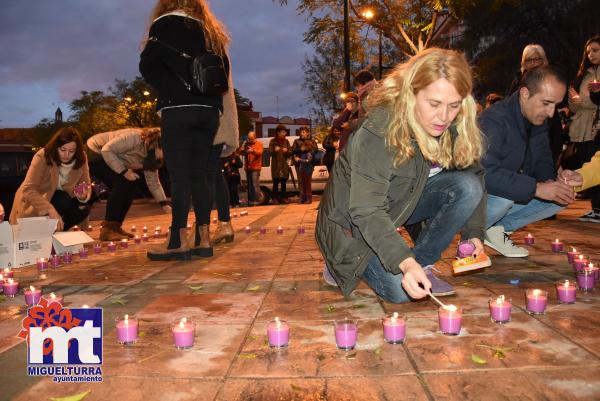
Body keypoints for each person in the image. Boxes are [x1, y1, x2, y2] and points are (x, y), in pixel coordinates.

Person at [316, 48, 486, 302]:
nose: (444, 116)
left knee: (468, 186)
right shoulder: (379, 129)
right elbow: (366, 209)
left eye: (454, 105)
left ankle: (423, 262)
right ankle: (341, 262)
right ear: (411, 95)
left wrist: (474, 234)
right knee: (400, 291)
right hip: (350, 221)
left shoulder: (454, 124)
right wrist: (404, 263)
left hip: (397, 205)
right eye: (434, 104)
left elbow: (475, 174)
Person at [140, 0, 231, 260]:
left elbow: (147, 65)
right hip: (209, 110)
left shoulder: (164, 23)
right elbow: (223, 68)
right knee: (200, 174)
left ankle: (176, 240)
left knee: (179, 176)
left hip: (178, 108)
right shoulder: (211, 32)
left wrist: (170, 88)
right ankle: (203, 238)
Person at [480, 65, 573, 257]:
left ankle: (495, 230)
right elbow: (484, 172)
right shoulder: (495, 119)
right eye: (546, 103)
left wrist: (550, 182)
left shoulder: (534, 116)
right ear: (524, 94)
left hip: (504, 193)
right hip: (474, 198)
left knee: (561, 198)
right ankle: (473, 232)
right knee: (503, 200)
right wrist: (537, 189)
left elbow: (543, 157)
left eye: (555, 105)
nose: (550, 113)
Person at [87, 127, 170, 241]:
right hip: (96, 152)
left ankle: (115, 227)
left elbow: (154, 182)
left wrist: (164, 205)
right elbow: (107, 150)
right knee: (124, 182)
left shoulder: (153, 158)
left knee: (130, 184)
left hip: (114, 159)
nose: (166, 155)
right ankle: (107, 230)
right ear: (158, 144)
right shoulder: (136, 137)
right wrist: (124, 171)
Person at [10, 127, 91, 231]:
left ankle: (55, 231)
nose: (66, 155)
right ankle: (44, 231)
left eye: (71, 151)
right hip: (37, 201)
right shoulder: (43, 156)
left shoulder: (81, 158)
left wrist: (83, 195)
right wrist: (49, 209)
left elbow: (86, 183)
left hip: (62, 201)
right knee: (62, 199)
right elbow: (28, 189)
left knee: (83, 208)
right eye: (63, 150)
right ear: (56, 146)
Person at [566, 35, 600, 223]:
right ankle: (595, 207)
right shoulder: (584, 74)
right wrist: (573, 100)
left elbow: (595, 102)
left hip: (596, 126)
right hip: (581, 127)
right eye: (588, 51)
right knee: (586, 162)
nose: (591, 54)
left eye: (595, 50)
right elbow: (574, 106)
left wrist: (584, 100)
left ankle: (598, 207)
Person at [206, 68, 239, 246]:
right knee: (214, 175)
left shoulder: (206, 46)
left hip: (208, 118)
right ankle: (224, 223)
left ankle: (202, 228)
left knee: (207, 175)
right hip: (217, 118)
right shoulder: (218, 48)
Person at [292, 126, 318, 204]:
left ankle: (308, 198)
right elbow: (293, 151)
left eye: (304, 132)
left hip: (309, 164)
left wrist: (306, 149)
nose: (302, 133)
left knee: (308, 181)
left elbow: (315, 150)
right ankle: (302, 198)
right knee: (301, 181)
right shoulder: (296, 141)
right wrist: (300, 150)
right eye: (301, 132)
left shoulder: (312, 141)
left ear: (307, 133)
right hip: (299, 164)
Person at [268, 125, 292, 204]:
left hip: (284, 165)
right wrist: (275, 150)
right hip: (276, 165)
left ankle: (283, 198)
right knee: (275, 182)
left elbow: (290, 153)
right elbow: (270, 153)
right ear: (278, 132)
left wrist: (287, 151)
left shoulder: (286, 141)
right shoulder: (273, 141)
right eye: (282, 132)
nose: (284, 133)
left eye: (285, 132)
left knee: (283, 182)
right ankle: (275, 198)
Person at [242, 131, 263, 205]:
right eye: (249, 138)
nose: (250, 140)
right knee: (250, 185)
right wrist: (242, 149)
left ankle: (257, 200)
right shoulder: (247, 144)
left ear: (255, 137)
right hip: (248, 167)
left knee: (255, 184)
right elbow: (241, 153)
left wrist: (252, 150)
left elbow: (259, 152)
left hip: (256, 167)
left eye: (251, 139)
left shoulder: (259, 144)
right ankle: (251, 200)